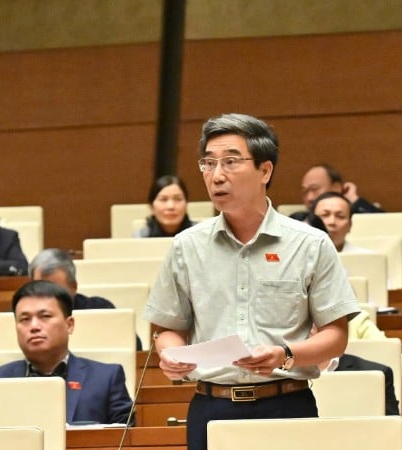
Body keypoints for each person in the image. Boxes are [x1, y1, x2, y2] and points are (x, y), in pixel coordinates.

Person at [144, 113, 360, 450]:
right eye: (208, 163)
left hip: (286, 406)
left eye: (230, 161)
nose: (216, 175)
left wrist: (285, 354)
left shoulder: (310, 244)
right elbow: (167, 328)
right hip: (210, 408)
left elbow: (336, 337)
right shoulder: (187, 246)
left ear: (265, 170)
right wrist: (170, 355)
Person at [0, 280, 134, 425]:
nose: (34, 326)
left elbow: (128, 439)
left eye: (45, 316)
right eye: (24, 319)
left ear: (69, 325)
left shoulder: (106, 378)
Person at [0, 248, 142, 350]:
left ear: (73, 287)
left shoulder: (99, 308)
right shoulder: (21, 315)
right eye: (40, 287)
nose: (48, 296)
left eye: (55, 289)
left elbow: (135, 346)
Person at [289, 163, 383, 220]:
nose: (309, 198)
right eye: (305, 192)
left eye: (315, 189)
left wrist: (354, 199)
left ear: (336, 188)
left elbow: (387, 224)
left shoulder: (355, 215)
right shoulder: (298, 221)